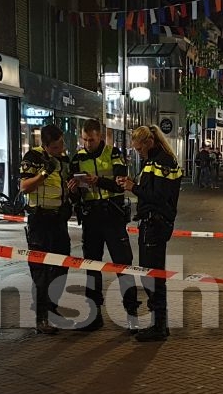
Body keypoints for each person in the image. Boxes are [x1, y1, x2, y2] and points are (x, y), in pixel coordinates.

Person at [69, 119, 139, 332]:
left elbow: (119, 184)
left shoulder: (114, 153)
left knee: (123, 265)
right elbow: (74, 195)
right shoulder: (77, 158)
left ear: (100, 136)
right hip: (91, 218)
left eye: (91, 139)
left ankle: (132, 315)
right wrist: (72, 190)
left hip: (112, 216)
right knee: (91, 266)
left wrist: (97, 181)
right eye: (84, 139)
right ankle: (93, 315)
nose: (87, 144)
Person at [117, 125, 181, 342]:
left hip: (155, 223)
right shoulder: (157, 160)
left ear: (148, 143)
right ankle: (159, 323)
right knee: (151, 274)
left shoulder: (161, 162)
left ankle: (159, 325)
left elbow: (157, 196)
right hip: (153, 223)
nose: (138, 152)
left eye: (138, 149)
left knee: (152, 276)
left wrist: (133, 187)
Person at [20, 123, 72, 335]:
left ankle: (52, 308)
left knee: (62, 265)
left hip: (59, 221)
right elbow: (24, 186)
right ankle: (42, 318)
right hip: (39, 221)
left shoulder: (64, 160)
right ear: (45, 145)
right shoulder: (33, 157)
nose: (60, 150)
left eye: (62, 145)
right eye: (56, 147)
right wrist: (43, 174)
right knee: (41, 271)